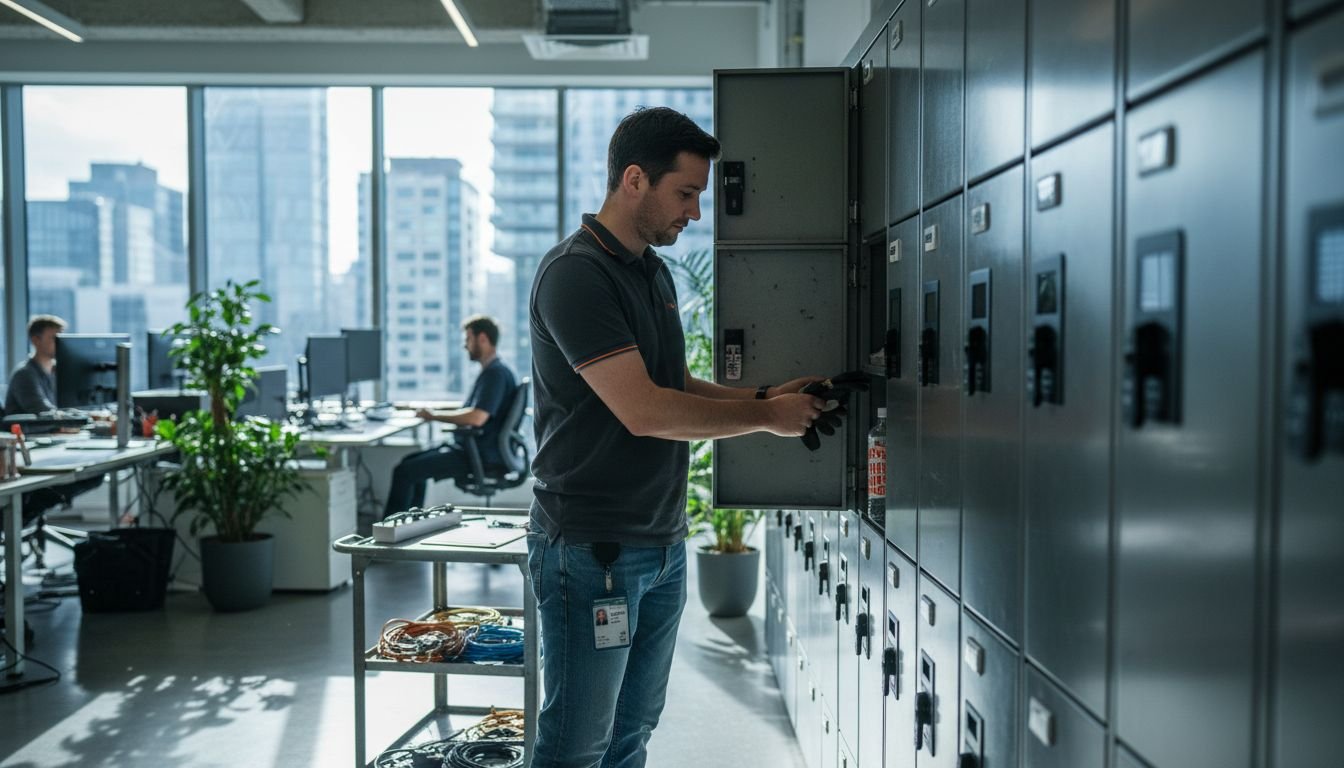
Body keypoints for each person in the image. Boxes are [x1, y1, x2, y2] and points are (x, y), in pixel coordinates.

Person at [526, 106, 832, 768]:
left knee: (632, 732)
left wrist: (763, 397)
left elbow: (670, 381)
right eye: (685, 193)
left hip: (660, 544)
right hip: (593, 549)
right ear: (635, 180)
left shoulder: (651, 272)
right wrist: (765, 420)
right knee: (577, 743)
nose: (696, 212)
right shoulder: (575, 274)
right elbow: (643, 409)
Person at [383, 316, 517, 518]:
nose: (465, 345)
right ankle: (409, 527)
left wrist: (434, 416)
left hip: (477, 455)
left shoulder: (495, 374)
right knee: (409, 463)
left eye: (468, 339)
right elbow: (474, 410)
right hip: (475, 450)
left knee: (405, 472)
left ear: (482, 338)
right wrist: (429, 411)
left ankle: (388, 534)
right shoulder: (495, 371)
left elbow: (476, 418)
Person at [4, 315, 104, 548]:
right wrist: (72, 422)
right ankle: (21, 516)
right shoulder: (25, 374)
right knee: (79, 475)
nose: (60, 344)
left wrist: (85, 417)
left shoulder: (57, 372)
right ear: (36, 340)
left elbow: (69, 408)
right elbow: (44, 413)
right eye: (54, 338)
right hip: (30, 449)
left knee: (93, 472)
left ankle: (27, 513)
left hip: (54, 444)